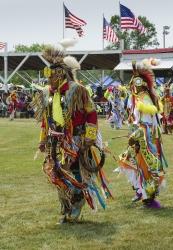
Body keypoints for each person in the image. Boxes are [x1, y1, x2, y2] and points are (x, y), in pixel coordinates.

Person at [31, 41, 112, 223]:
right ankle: (66, 208)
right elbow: (46, 120)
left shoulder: (78, 90)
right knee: (58, 174)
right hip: (56, 141)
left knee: (75, 172)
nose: (49, 80)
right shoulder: (47, 93)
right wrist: (43, 139)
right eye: (48, 76)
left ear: (61, 74)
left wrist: (90, 138)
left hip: (77, 139)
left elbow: (91, 114)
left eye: (52, 76)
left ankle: (76, 205)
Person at [116, 59, 167, 208]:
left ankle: (148, 196)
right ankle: (141, 192)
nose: (132, 86)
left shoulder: (143, 99)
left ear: (139, 84)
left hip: (145, 140)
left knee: (145, 168)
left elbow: (145, 125)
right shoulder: (137, 99)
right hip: (139, 138)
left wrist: (136, 137)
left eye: (134, 83)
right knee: (132, 163)